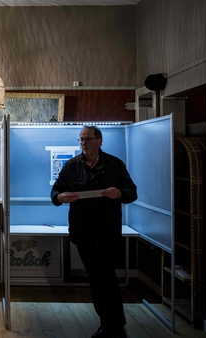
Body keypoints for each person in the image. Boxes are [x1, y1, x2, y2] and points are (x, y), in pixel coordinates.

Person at [50, 126, 137, 338]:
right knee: (97, 280)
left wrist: (119, 194)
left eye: (88, 139)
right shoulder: (71, 166)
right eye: (81, 139)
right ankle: (109, 324)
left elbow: (131, 192)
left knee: (107, 278)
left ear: (100, 141)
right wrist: (61, 197)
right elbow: (55, 191)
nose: (84, 143)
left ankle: (113, 326)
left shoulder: (115, 165)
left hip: (107, 233)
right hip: (83, 234)